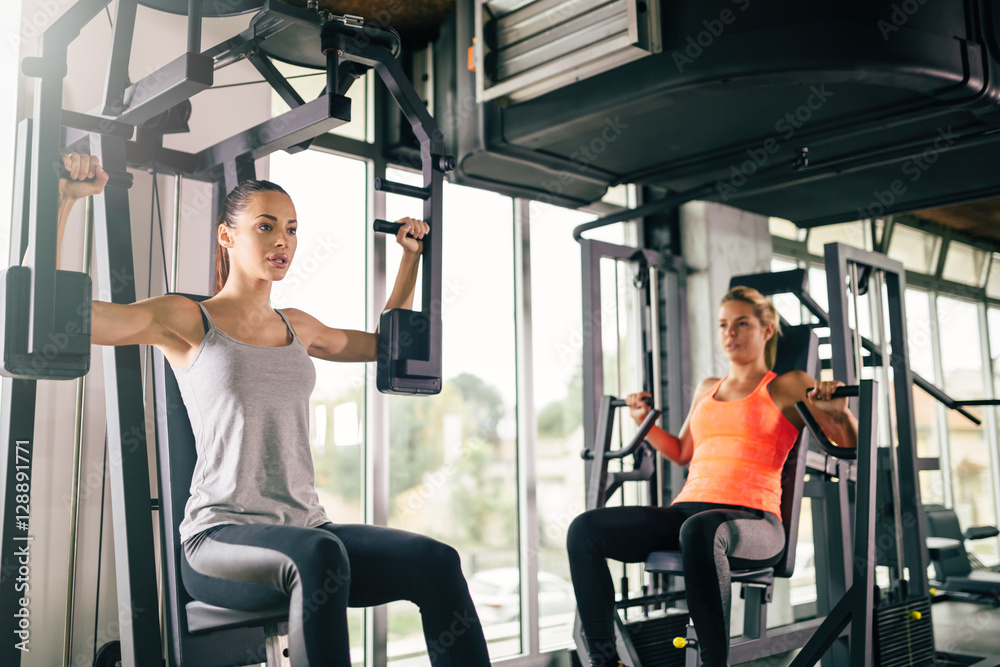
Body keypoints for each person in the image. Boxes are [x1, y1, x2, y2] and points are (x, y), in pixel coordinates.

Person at [38, 153, 492, 667]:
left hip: (308, 531)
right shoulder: (186, 320)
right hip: (216, 542)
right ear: (226, 237)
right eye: (266, 226)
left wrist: (409, 257)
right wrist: (62, 202)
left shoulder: (299, 325)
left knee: (437, 561)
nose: (283, 241)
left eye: (292, 229)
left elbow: (392, 347)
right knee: (320, 557)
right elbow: (66, 317)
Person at [567, 286, 858, 667]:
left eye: (742, 324)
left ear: (767, 329)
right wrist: (643, 422)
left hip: (756, 523)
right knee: (585, 529)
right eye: (723, 325)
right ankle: (606, 663)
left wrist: (839, 413)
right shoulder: (707, 389)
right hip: (689, 513)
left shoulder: (787, 384)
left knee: (701, 530)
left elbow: (849, 447)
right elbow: (682, 452)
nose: (730, 334)